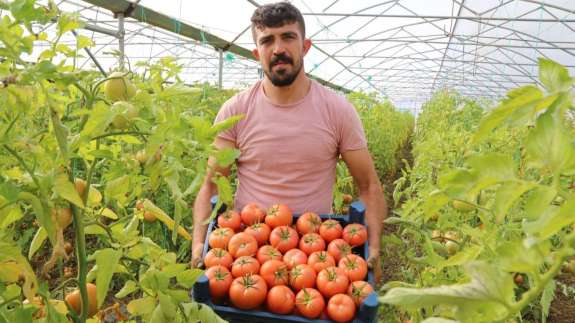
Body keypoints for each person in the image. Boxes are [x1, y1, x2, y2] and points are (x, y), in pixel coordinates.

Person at [191, 1, 387, 282]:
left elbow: (369, 185)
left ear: (305, 46)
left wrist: (375, 245)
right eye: (267, 41)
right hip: (246, 255)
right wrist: (199, 242)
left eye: (288, 37)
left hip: (314, 255)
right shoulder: (235, 111)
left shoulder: (337, 110)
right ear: (257, 53)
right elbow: (211, 183)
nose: (278, 49)